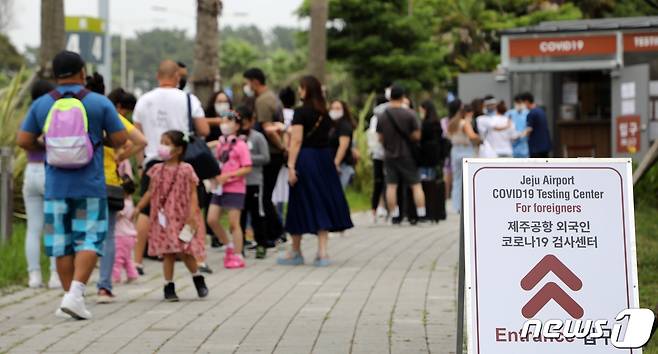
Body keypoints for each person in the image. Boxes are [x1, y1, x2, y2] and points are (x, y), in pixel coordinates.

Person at [17, 51, 128, 319]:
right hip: (89, 186)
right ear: (82, 71)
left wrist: (45, 147)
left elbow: (23, 140)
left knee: (62, 242)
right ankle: (75, 295)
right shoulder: (99, 103)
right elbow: (121, 137)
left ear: (55, 75)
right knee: (89, 237)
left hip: (55, 186)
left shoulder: (43, 104)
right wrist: (99, 140)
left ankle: (70, 299)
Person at [132, 60, 210, 276]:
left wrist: (141, 164)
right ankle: (199, 258)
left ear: (158, 75)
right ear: (177, 76)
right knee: (191, 208)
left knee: (147, 212)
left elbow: (137, 135)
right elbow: (203, 129)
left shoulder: (144, 100)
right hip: (181, 163)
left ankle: (137, 261)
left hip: (153, 162)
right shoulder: (188, 99)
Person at [278, 75, 353, 267]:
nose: (299, 91)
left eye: (301, 88)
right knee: (321, 200)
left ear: (307, 90)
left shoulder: (301, 112)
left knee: (298, 201)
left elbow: (296, 140)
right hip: (323, 159)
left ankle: (296, 250)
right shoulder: (324, 114)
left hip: (306, 159)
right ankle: (323, 251)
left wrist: (292, 166)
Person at [86, 75, 147, 303]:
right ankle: (104, 287)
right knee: (109, 235)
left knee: (85, 233)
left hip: (82, 182)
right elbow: (141, 140)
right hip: (109, 182)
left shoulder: (75, 109)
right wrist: (121, 155)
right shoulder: (108, 113)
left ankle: (75, 286)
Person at [132, 130, 208, 301]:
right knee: (168, 252)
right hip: (164, 218)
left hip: (182, 216)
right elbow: (150, 192)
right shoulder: (156, 169)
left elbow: (193, 193)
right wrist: (139, 208)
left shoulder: (187, 169)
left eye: (167, 143)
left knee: (185, 251)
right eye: (161, 142)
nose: (162, 147)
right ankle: (169, 285)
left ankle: (197, 277)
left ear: (179, 149)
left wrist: (192, 214)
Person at [23, 79, 60, 289]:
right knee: (53, 225)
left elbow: (23, 140)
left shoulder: (30, 113)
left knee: (33, 228)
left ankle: (34, 276)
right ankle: (55, 274)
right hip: (49, 171)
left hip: (30, 170)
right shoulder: (51, 112)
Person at [243, 68, 285, 245]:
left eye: (247, 82)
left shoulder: (262, 101)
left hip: (270, 153)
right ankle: (275, 231)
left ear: (255, 81)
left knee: (263, 196)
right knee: (266, 195)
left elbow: (268, 129)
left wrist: (282, 147)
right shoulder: (273, 97)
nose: (247, 86)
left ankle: (275, 231)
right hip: (275, 153)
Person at [206, 113, 253, 269]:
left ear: (237, 126)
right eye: (223, 121)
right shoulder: (221, 144)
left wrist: (229, 175)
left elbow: (247, 167)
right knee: (212, 219)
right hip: (219, 187)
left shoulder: (240, 145)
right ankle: (229, 246)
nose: (224, 124)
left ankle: (238, 254)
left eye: (229, 121)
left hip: (235, 188)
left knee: (234, 223)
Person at [376, 84, 426, 225]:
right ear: (403, 96)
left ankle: (395, 215)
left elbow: (380, 137)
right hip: (407, 155)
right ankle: (421, 214)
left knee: (391, 186)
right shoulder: (410, 113)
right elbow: (417, 135)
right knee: (416, 185)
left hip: (389, 155)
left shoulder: (382, 115)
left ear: (390, 96)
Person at [237, 105, 271, 259]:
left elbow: (265, 157)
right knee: (240, 216)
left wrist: (247, 159)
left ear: (252, 121)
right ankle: (240, 244)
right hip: (238, 184)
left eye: (245, 122)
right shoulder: (234, 138)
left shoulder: (258, 137)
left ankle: (262, 243)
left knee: (257, 214)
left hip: (255, 182)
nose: (242, 126)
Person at [446, 101, 480, 213]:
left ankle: (456, 206)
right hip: (466, 150)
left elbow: (448, 136)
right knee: (468, 179)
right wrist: (479, 138)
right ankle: (466, 206)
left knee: (457, 179)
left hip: (455, 150)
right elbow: (471, 136)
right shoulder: (465, 123)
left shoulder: (452, 122)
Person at [112, 161, 139, 284]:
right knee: (127, 258)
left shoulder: (123, 204)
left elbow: (118, 215)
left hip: (121, 235)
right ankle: (132, 274)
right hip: (130, 235)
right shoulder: (130, 203)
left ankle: (115, 276)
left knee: (117, 258)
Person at [367, 95, 389, 223]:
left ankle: (376, 210)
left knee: (378, 182)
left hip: (377, 154)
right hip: (387, 153)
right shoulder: (383, 118)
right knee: (386, 182)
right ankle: (382, 208)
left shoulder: (374, 119)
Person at [328, 100, 357, 189]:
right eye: (332, 108)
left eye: (338, 108)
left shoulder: (344, 126)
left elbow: (343, 146)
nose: (334, 110)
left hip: (341, 165)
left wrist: (336, 164)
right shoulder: (331, 125)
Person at [418, 100, 445, 181]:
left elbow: (420, 137)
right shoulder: (437, 122)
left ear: (425, 110)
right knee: (432, 178)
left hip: (424, 154)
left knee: (424, 179)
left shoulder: (425, 124)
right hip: (435, 154)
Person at [521, 92, 552, 158]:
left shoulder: (531, 113)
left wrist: (520, 135)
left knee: (535, 167)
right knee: (545, 167)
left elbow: (529, 130)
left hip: (536, 148)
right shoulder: (541, 111)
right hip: (545, 146)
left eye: (522, 103)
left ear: (526, 101)